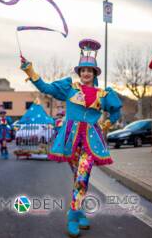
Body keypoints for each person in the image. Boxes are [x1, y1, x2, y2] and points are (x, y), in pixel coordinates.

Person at [20, 39, 122, 237]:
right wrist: (30, 71)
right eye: (83, 70)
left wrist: (105, 125)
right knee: (79, 179)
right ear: (79, 72)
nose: (86, 74)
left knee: (82, 176)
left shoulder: (104, 94)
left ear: (94, 74)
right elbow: (46, 88)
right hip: (70, 140)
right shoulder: (69, 88)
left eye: (89, 71)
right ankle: (82, 212)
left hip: (91, 143)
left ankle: (72, 216)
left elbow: (116, 113)